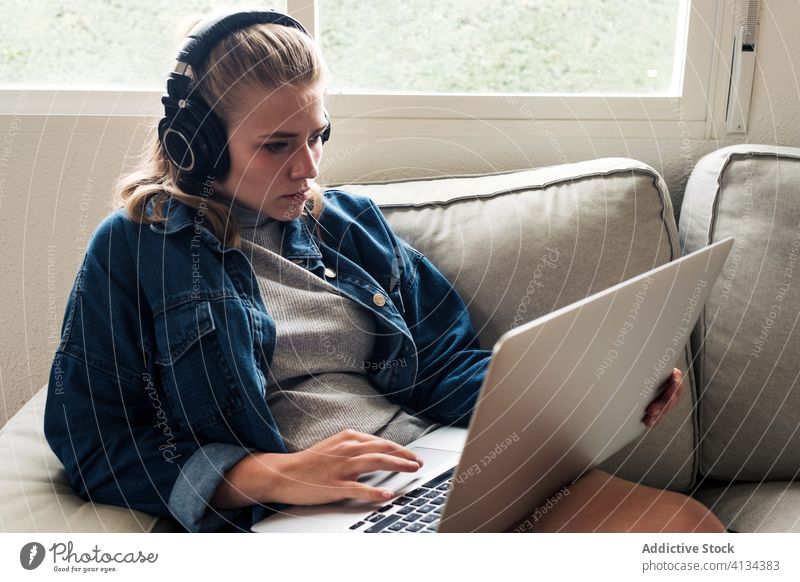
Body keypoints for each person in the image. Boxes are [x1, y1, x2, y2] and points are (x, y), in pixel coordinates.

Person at [44, 9, 725, 534]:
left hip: (436, 466)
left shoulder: (349, 226)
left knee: (687, 535)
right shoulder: (136, 250)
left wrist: (602, 391)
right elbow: (92, 441)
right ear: (193, 147)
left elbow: (447, 363)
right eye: (277, 145)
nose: (308, 168)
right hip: (303, 511)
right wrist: (272, 475)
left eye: (317, 136)